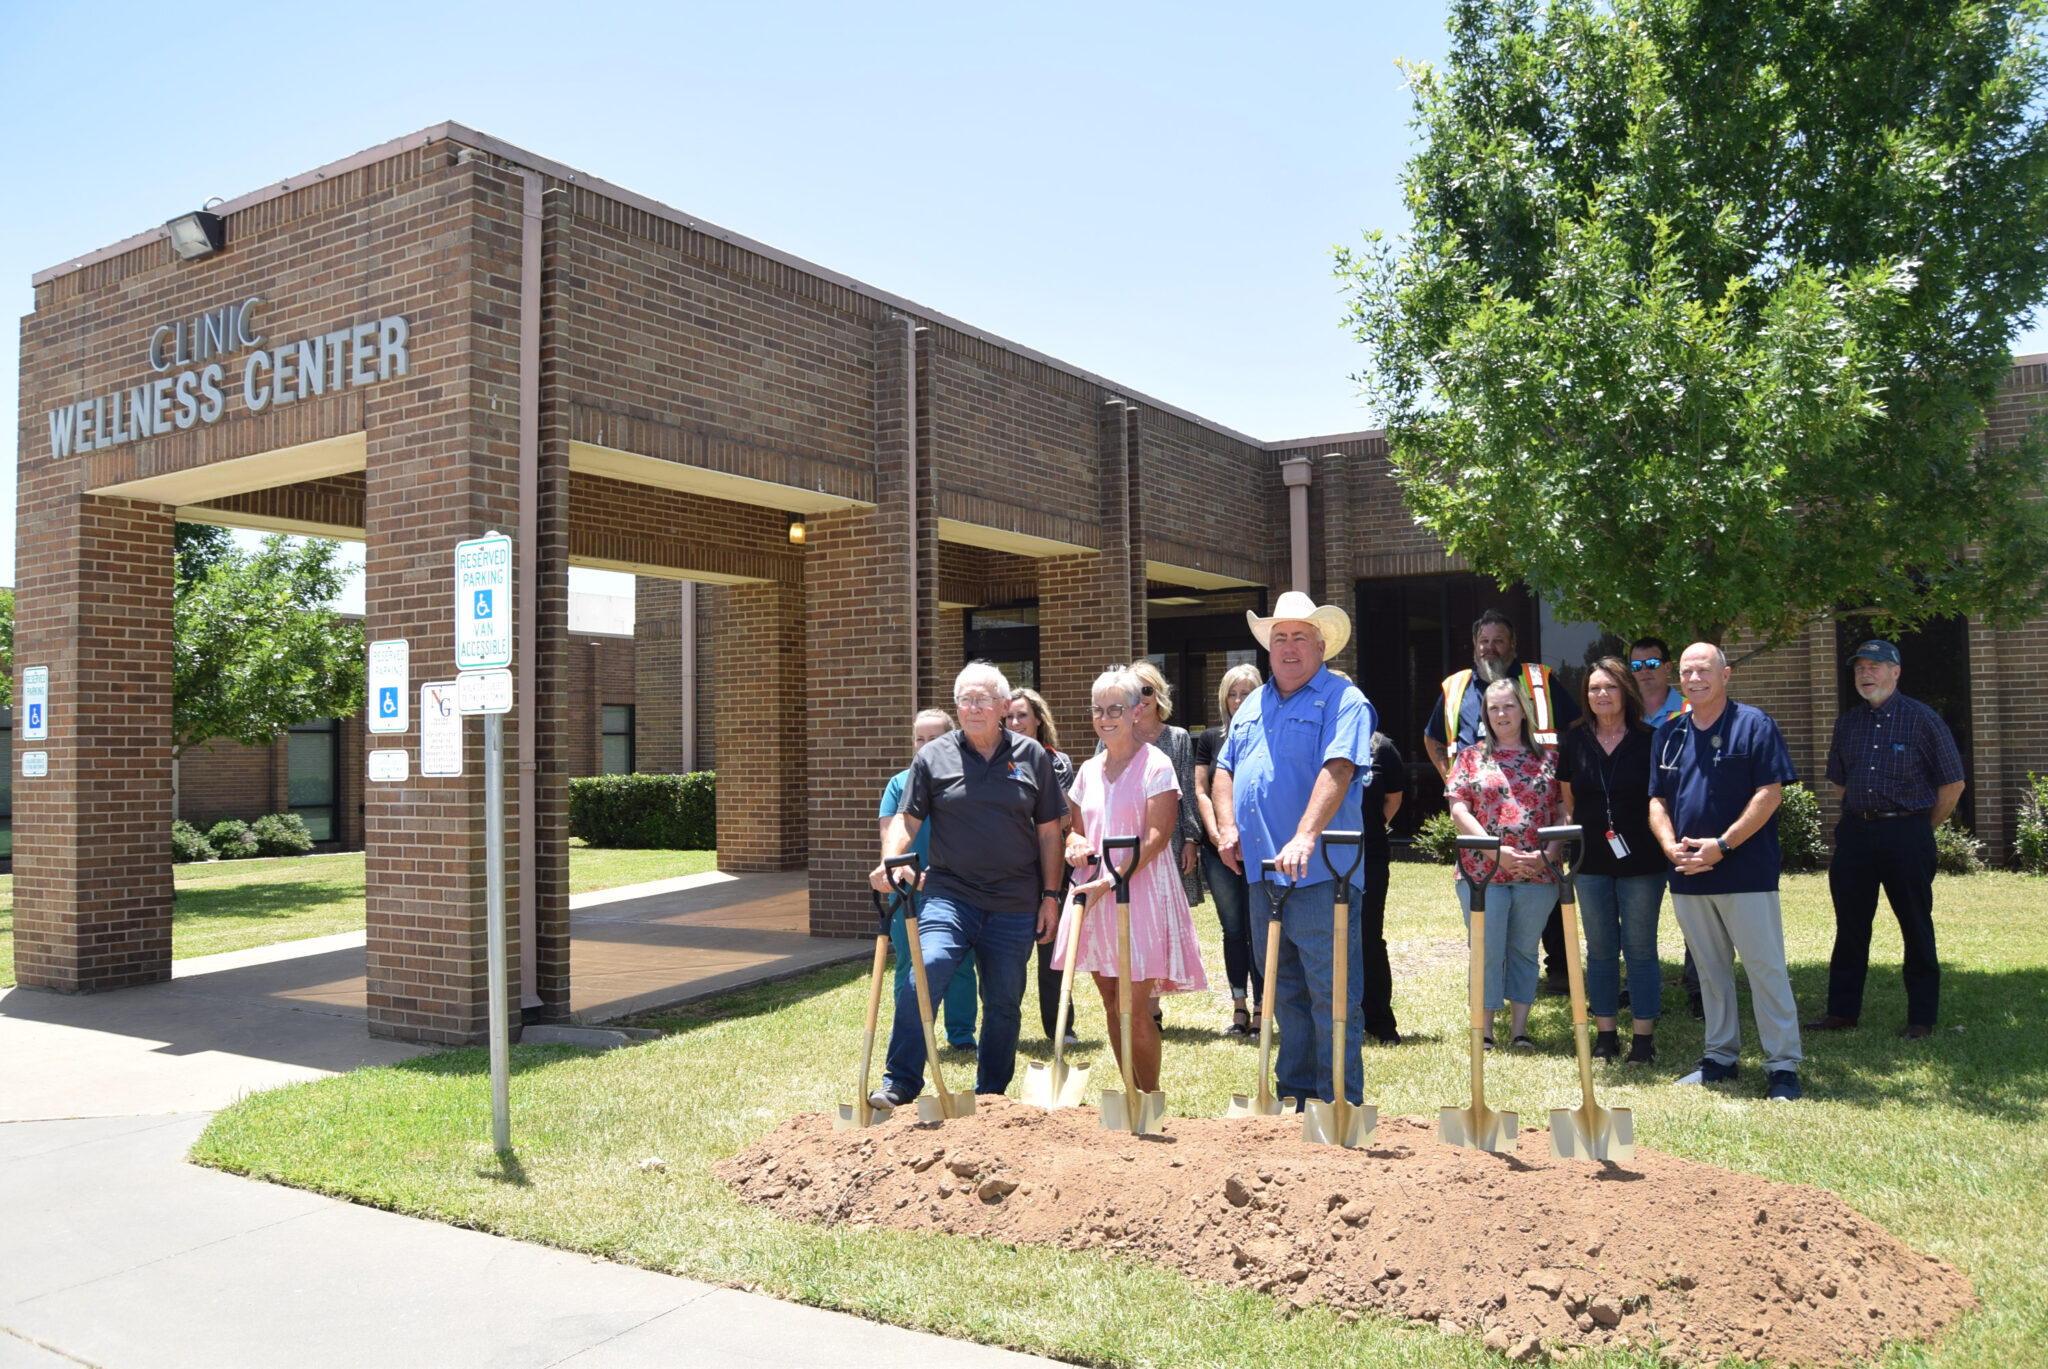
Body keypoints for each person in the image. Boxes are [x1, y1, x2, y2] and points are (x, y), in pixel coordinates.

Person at [867, 662, 1067, 1111]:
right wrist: (891, 860)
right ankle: (901, 1081)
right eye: (965, 700)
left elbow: (1050, 832)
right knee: (927, 968)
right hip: (948, 894)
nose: (973, 708)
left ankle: (991, 1096)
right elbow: (906, 818)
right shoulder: (933, 755)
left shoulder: (1032, 755)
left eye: (982, 699)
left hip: (1015, 901)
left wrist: (1051, 896)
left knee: (1003, 1002)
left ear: (1001, 706)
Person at [1213, 591, 1376, 1110]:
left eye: (1299, 637)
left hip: (1323, 875)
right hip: (1263, 876)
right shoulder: (1253, 704)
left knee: (1332, 995)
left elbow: (1340, 768)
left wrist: (1305, 834)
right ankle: (1296, 1099)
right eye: (1278, 637)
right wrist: (1225, 825)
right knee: (1282, 992)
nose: (1287, 647)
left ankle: (1337, 1108)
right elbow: (1224, 769)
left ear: (1321, 645)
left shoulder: (1343, 700)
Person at [1647, 643, 1804, 1102]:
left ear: (1726, 674)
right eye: (1686, 672)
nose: (1694, 679)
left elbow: (1769, 794)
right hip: (1687, 873)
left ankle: (1782, 1068)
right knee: (1711, 974)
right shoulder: (1670, 734)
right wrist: (1669, 845)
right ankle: (1719, 1059)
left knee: (1765, 970)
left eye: (1704, 670)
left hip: (1745, 872)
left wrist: (1723, 845)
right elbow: (1657, 799)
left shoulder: (1754, 725)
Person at [1056, 670, 1210, 1095]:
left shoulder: (1156, 765)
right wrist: (1075, 844)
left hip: (1139, 892)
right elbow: (1077, 830)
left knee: (1134, 1007)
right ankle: (1129, 1098)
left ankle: (1150, 1098)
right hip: (1097, 894)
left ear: (1137, 711)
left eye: (1116, 710)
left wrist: (1112, 879)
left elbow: (1158, 837)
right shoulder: (1087, 770)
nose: (1105, 719)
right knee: (1110, 1003)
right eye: (1098, 710)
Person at [1809, 640, 1966, 1040]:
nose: (1865, 674)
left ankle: (1921, 1019)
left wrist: (1918, 828)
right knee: (1850, 927)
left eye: (1874, 666)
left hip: (1907, 832)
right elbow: (1838, 781)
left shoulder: (1923, 719)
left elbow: (1953, 783)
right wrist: (1867, 817)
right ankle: (1841, 1012)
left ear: (1895, 671)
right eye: (1860, 668)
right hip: (1856, 834)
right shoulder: (1848, 723)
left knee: (1915, 925)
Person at [1424, 608, 1580, 992]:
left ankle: (1557, 970)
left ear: (1512, 645)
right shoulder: (1456, 687)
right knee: (1487, 929)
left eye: (1498, 640)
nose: (1490, 648)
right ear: (1475, 647)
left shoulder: (1538, 681)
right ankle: (1493, 998)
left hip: (1540, 806)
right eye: (1483, 641)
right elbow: (1433, 739)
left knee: (1545, 908)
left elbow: (1574, 726)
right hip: (1481, 811)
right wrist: (1455, 784)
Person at [1446, 677, 1564, 1049]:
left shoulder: (1550, 758)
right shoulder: (1469, 757)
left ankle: (1520, 1030)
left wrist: (1551, 852)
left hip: (1538, 871)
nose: (1501, 714)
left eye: (1509, 706)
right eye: (1493, 708)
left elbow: (1563, 811)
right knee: (1486, 949)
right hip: (1482, 872)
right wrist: (1495, 852)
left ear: (1524, 711)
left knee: (1524, 949)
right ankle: (1483, 1031)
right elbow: (1458, 808)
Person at [1557, 657, 1665, 1064]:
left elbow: (1660, 799)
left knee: (1640, 949)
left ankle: (1642, 1039)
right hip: (1591, 860)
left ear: (1626, 692)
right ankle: (1605, 1036)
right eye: (1594, 689)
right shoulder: (1574, 742)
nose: (1602, 695)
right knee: (1600, 950)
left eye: (1610, 687)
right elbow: (1570, 800)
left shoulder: (1650, 739)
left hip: (1643, 861)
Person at [879, 709, 979, 1047]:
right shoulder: (898, 784)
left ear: (951, 740)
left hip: (956, 888)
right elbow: (890, 837)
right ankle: (912, 1035)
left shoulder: (966, 780)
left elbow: (974, 835)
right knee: (910, 963)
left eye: (933, 739)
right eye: (919, 739)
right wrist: (908, 873)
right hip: (908, 891)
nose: (924, 746)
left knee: (960, 964)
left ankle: (962, 1035)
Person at [1007, 686, 1078, 1044]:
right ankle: (1005, 1028)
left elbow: (1064, 817)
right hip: (1011, 868)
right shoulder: (994, 760)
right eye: (1010, 717)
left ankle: (1062, 1027)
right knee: (1008, 955)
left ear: (1038, 720)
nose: (1016, 722)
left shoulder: (1057, 761)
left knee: (1053, 951)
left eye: (1023, 715)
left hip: (1051, 867)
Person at [1195, 663, 1263, 1036]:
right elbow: (1201, 790)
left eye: (1247, 692)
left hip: (1259, 848)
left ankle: (1261, 1009)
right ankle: (1238, 1007)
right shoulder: (1210, 738)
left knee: (1260, 927)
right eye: (1233, 693)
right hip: (1218, 849)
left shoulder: (1270, 736)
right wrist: (1219, 834)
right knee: (1234, 929)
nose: (1239, 700)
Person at [1359, 728, 1407, 1044]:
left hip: (1370, 855)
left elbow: (1393, 798)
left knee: (1368, 937)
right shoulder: (1316, 737)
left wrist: (1374, 828)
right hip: (1322, 856)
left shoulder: (1381, 747)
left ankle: (1379, 1022)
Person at [1630, 636, 1687, 727]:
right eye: (1636, 665)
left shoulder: (1692, 710)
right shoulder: (1624, 712)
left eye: (1651, 663)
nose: (1644, 670)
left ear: (1667, 667)